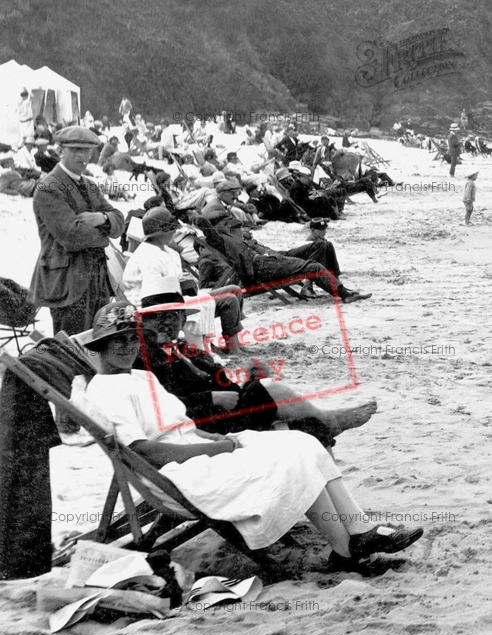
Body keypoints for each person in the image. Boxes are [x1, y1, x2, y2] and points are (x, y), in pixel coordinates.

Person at [84, 301, 423, 575]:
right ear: (101, 345)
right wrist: (220, 447)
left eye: (132, 338)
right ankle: (346, 550)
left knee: (303, 444)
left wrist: (225, 439)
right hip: (178, 472)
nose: (128, 347)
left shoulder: (142, 377)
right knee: (290, 458)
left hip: (197, 449)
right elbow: (144, 451)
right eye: (119, 340)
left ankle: (358, 534)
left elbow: (180, 424)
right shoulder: (106, 390)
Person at [135, 285, 378, 442]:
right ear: (144, 322)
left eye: (174, 315)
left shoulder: (183, 348)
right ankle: (330, 420)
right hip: (202, 425)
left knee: (303, 420)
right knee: (273, 392)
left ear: (182, 319)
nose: (167, 322)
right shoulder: (144, 356)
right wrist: (211, 398)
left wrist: (239, 378)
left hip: (224, 410)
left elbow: (213, 376)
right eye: (158, 317)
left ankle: (324, 430)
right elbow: (158, 405)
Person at [29, 126, 125, 335]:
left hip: (97, 279)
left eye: (87, 151)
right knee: (73, 349)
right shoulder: (48, 187)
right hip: (67, 282)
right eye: (76, 150)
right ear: (61, 150)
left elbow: (119, 220)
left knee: (98, 344)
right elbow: (71, 236)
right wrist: (105, 234)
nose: (83, 156)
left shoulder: (90, 185)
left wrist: (102, 218)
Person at [122, 207, 247, 354]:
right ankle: (232, 348)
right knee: (229, 300)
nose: (174, 232)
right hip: (154, 307)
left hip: (174, 297)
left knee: (234, 290)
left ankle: (234, 343)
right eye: (171, 230)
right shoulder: (149, 256)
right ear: (161, 233)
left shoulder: (166, 250)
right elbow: (154, 295)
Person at [196, 215, 372, 304]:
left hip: (273, 256)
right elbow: (209, 231)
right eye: (231, 225)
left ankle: (339, 285)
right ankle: (344, 294)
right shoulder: (220, 240)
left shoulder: (234, 238)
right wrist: (197, 219)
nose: (235, 227)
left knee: (323, 245)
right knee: (314, 267)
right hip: (263, 266)